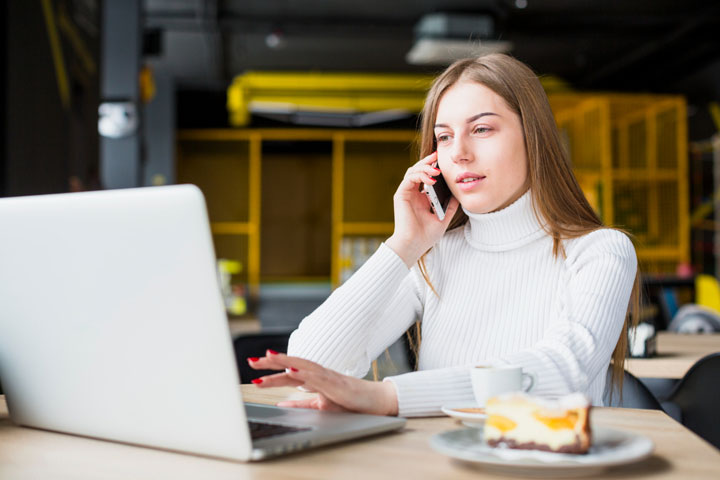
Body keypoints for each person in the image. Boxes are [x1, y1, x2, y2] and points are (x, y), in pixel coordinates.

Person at [248, 53, 639, 417]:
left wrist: (389, 397)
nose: (459, 153)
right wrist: (404, 245)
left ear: (533, 137)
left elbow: (562, 372)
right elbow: (312, 363)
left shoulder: (600, 251)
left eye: (482, 128)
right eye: (445, 136)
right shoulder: (434, 257)